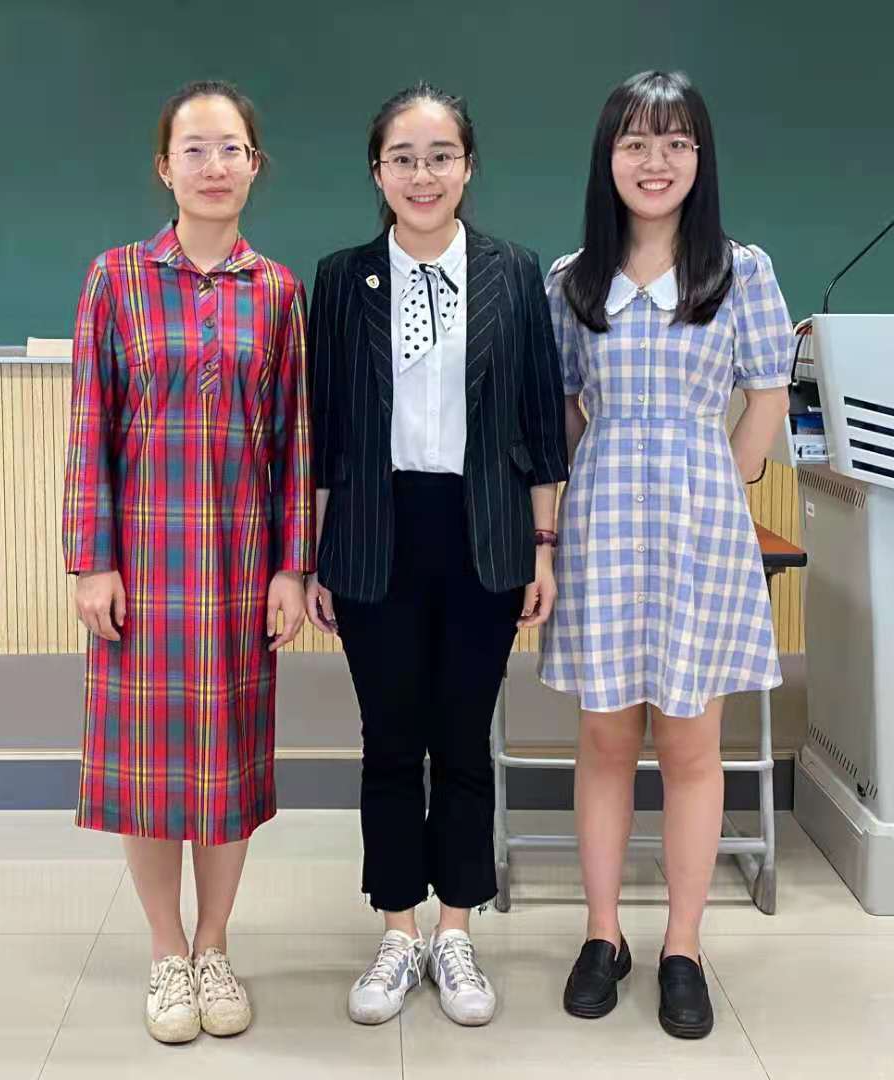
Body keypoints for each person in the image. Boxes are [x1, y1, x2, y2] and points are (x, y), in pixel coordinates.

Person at [304, 83, 569, 1028]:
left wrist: (543, 548)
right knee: (388, 740)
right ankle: (396, 931)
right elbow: (325, 426)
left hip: (483, 532)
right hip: (374, 531)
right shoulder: (341, 279)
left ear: (469, 166)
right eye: (404, 159)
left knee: (462, 741)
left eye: (441, 156)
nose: (423, 175)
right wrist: (315, 555)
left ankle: (455, 931)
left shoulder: (514, 272)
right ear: (377, 172)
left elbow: (541, 424)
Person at [540, 70, 793, 1040]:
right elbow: (563, 410)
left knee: (691, 745)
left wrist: (728, 479)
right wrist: (559, 511)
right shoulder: (572, 280)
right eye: (635, 142)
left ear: (700, 157)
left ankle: (682, 945)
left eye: (676, 142)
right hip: (603, 519)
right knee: (605, 740)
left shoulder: (741, 271)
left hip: (700, 525)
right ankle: (602, 934)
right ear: (607, 158)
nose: (656, 161)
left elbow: (767, 388)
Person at [61, 80, 314, 1045]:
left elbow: (294, 442)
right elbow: (89, 428)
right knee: (147, 764)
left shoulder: (278, 292)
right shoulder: (115, 279)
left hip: (242, 565)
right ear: (165, 167)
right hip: (143, 564)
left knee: (230, 762)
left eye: (231, 149)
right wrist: (92, 560)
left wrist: (292, 568)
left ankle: (215, 945)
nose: (215, 166)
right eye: (195, 150)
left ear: (256, 165)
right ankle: (167, 951)